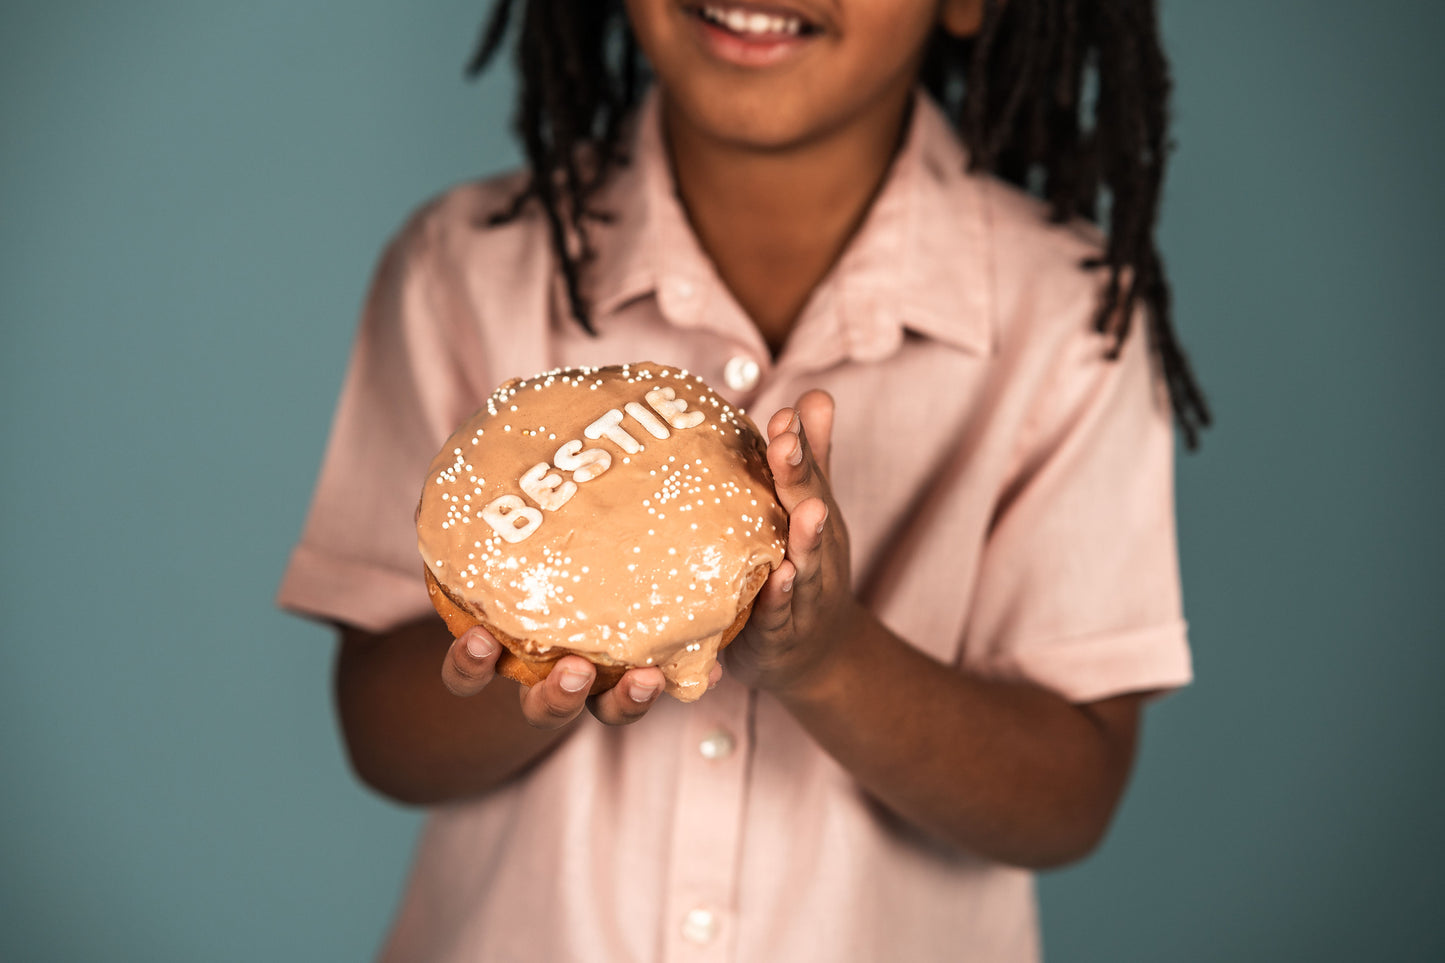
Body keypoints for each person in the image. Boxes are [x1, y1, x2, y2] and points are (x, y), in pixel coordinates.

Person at [278, 0, 1210, 959]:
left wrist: (829, 656)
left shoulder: (1073, 322)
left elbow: (1066, 798)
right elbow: (379, 734)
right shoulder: (461, 268)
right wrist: (537, 641)